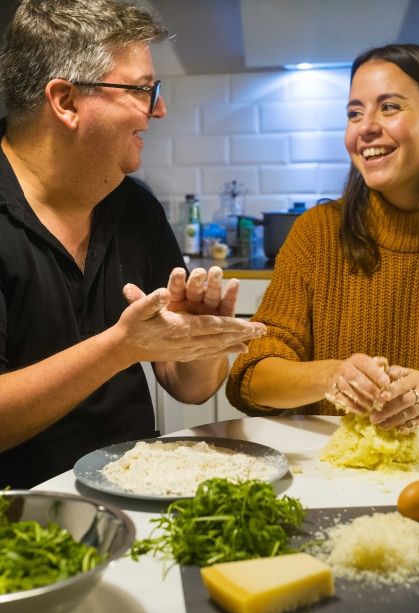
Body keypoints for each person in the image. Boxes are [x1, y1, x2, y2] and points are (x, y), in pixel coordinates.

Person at [0, 0, 266, 488]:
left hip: (138, 493)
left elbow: (191, 387)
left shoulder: (134, 207)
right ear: (65, 101)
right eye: (143, 89)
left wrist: (197, 340)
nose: (159, 108)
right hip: (24, 521)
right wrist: (121, 348)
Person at [227, 43, 419, 434]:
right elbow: (250, 377)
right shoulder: (318, 233)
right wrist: (332, 376)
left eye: (389, 107)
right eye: (355, 113)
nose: (366, 126)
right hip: (335, 478)